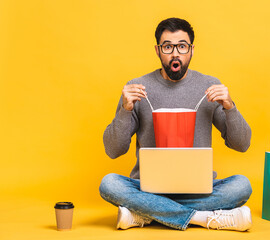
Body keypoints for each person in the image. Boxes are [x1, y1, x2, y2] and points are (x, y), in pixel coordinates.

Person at [99, 17, 252, 232]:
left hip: (198, 190)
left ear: (191, 49)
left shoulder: (210, 86)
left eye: (182, 46)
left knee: (242, 186)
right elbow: (113, 150)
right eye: (167, 47)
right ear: (157, 50)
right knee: (109, 184)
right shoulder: (137, 89)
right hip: (148, 190)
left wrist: (229, 106)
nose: (175, 54)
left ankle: (146, 214)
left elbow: (242, 144)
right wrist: (125, 109)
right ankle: (201, 217)